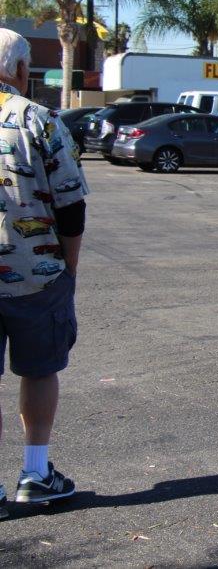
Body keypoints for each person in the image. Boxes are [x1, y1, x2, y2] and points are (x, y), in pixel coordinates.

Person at [0, 28, 88, 518]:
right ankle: (35, 475)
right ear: (18, 70)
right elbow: (71, 206)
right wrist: (69, 268)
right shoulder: (39, 120)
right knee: (39, 370)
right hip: (37, 274)